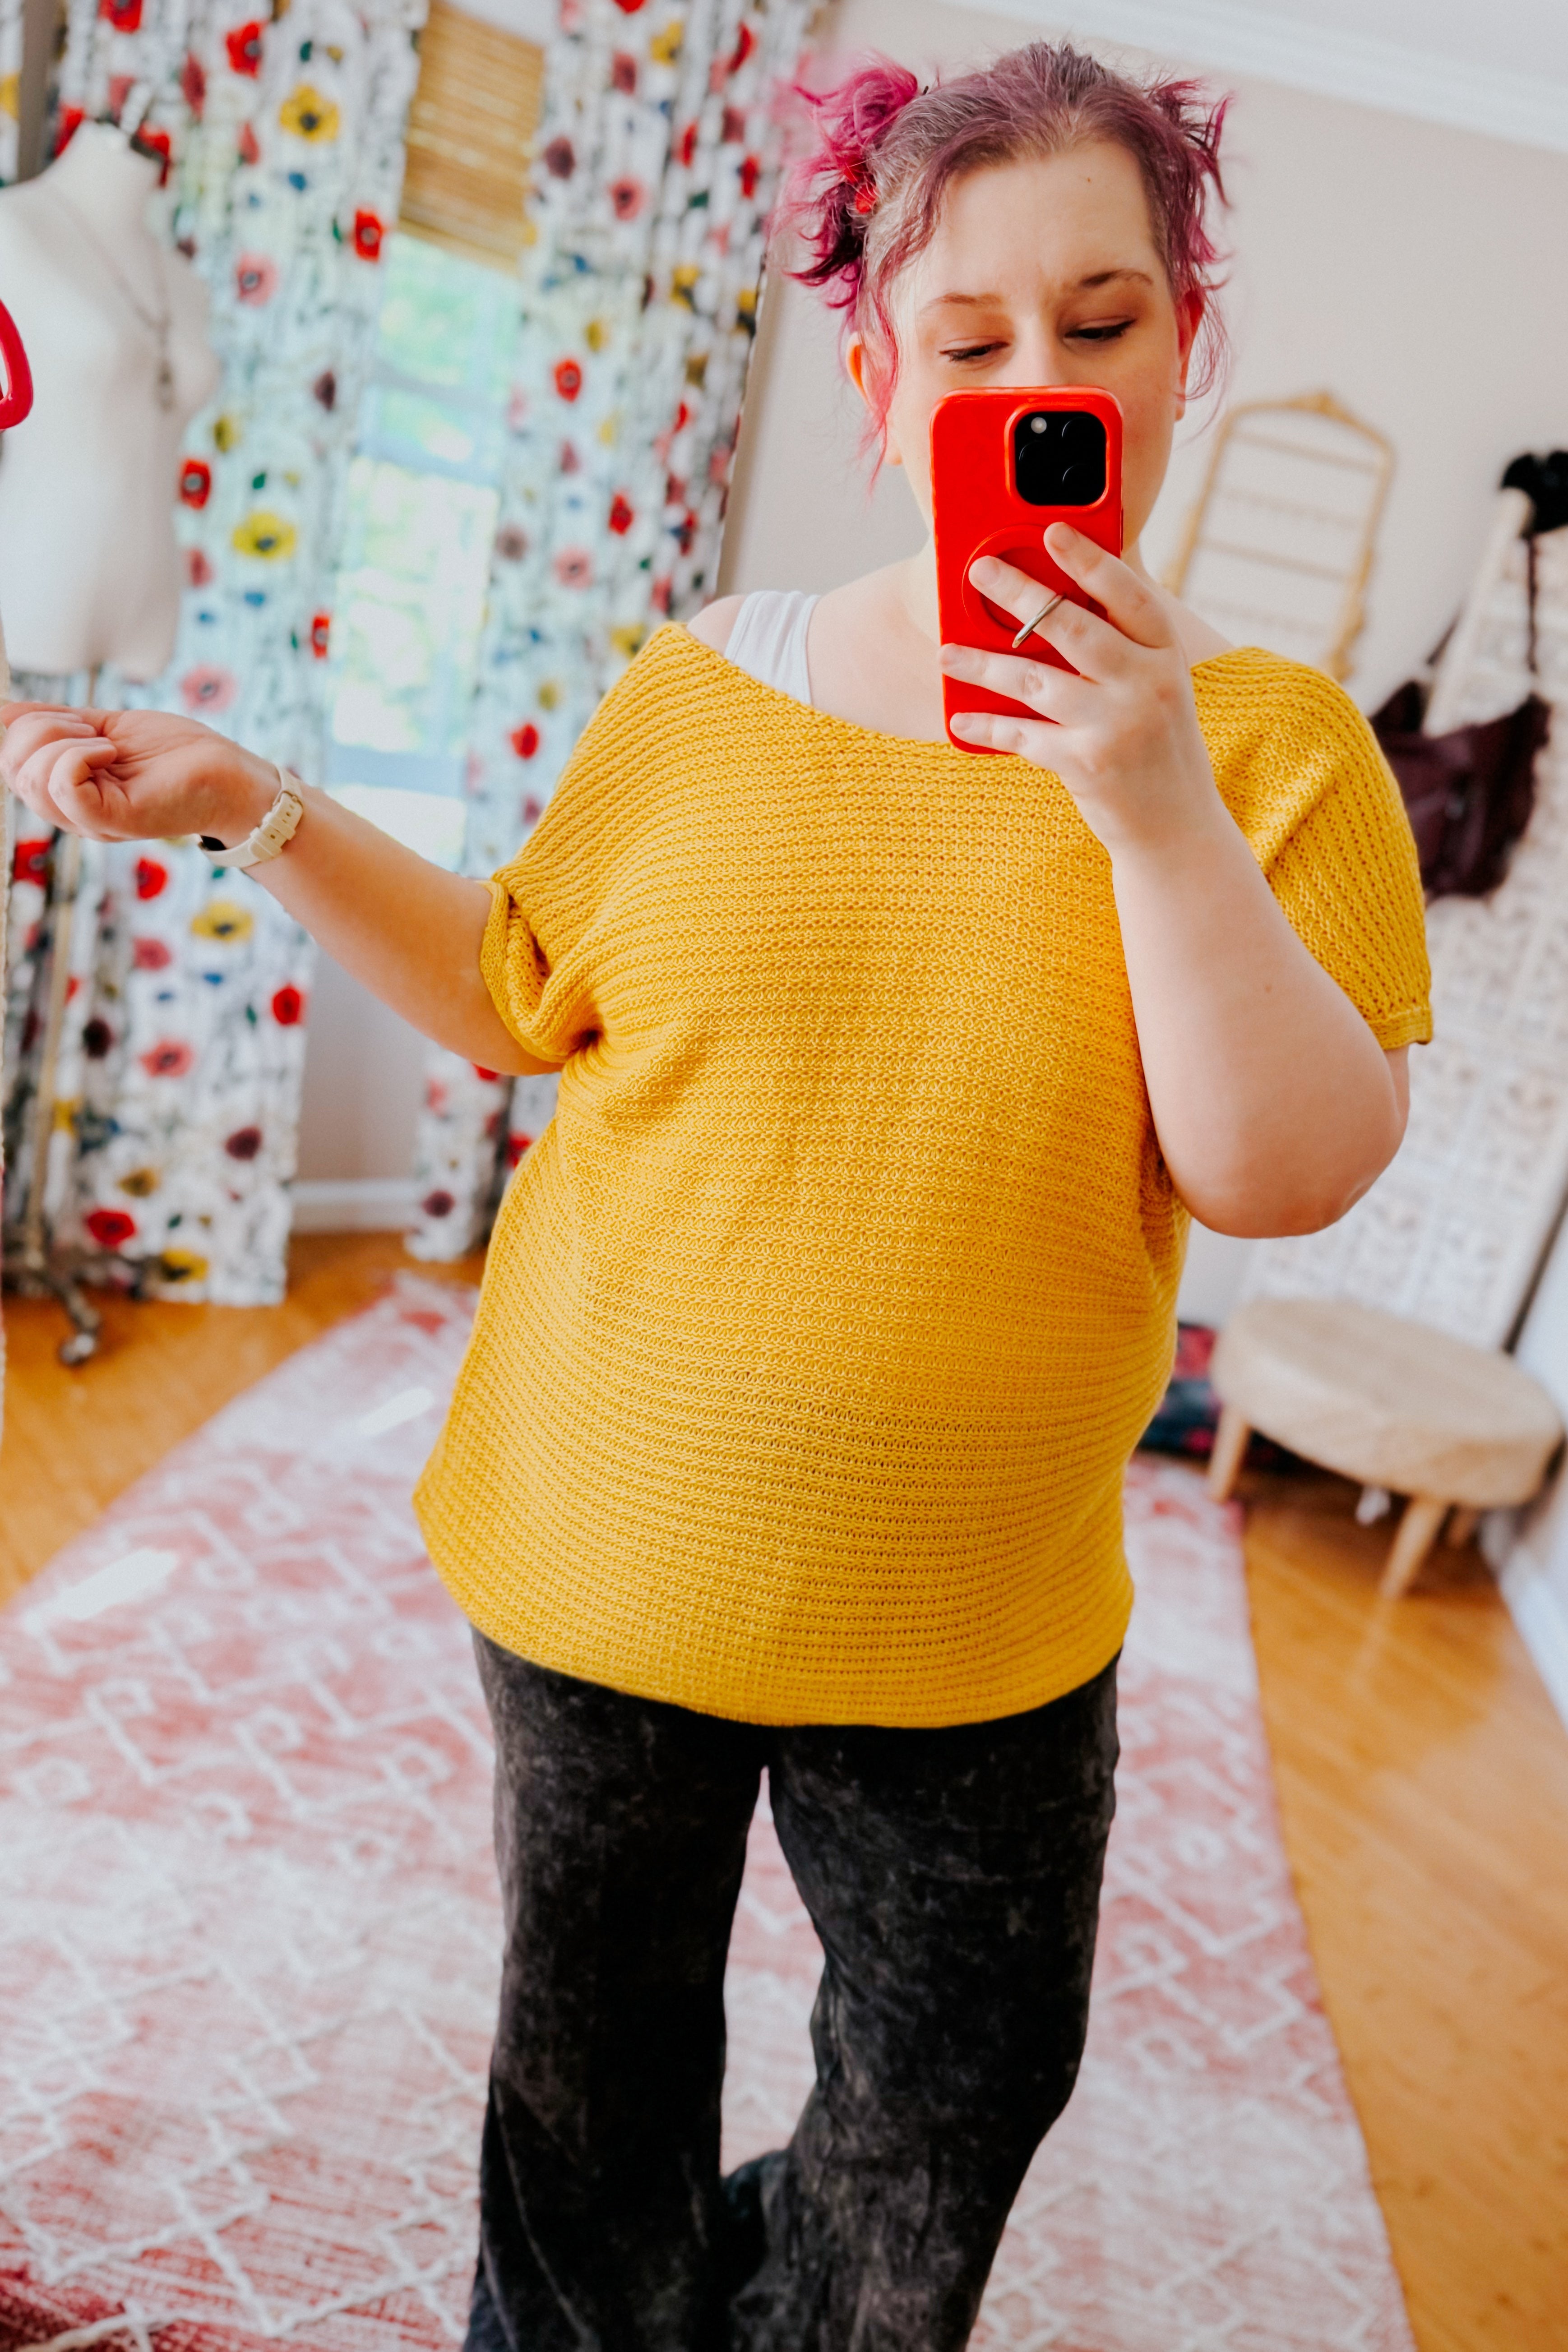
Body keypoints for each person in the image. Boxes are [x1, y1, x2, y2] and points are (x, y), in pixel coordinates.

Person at [0, 42, 1430, 2352]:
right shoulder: (702, 687)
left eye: (1098, 320)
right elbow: (508, 983)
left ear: (1188, 344)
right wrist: (249, 798)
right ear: (873, 379)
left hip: (976, 1615)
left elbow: (1279, 1170)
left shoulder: (1269, 750)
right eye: (962, 342)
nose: (1032, 378)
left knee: (951, 2099)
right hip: (602, 1540)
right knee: (590, 2085)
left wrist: (1149, 806)